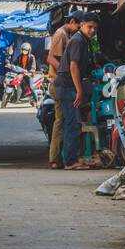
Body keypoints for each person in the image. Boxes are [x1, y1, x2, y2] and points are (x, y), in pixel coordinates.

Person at [54, 13, 99, 171]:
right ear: (81, 25)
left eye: (95, 28)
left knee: (72, 122)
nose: (92, 30)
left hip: (68, 86)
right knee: (72, 123)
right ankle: (70, 162)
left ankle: (71, 158)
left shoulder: (84, 40)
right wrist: (79, 90)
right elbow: (73, 66)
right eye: (89, 26)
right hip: (67, 87)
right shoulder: (78, 40)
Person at [46, 13, 80, 169]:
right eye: (79, 26)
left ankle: (56, 157)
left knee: (61, 120)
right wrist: (65, 72)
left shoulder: (66, 34)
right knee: (62, 121)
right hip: (57, 81)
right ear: (72, 22)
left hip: (58, 81)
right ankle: (56, 158)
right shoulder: (61, 34)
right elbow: (50, 58)